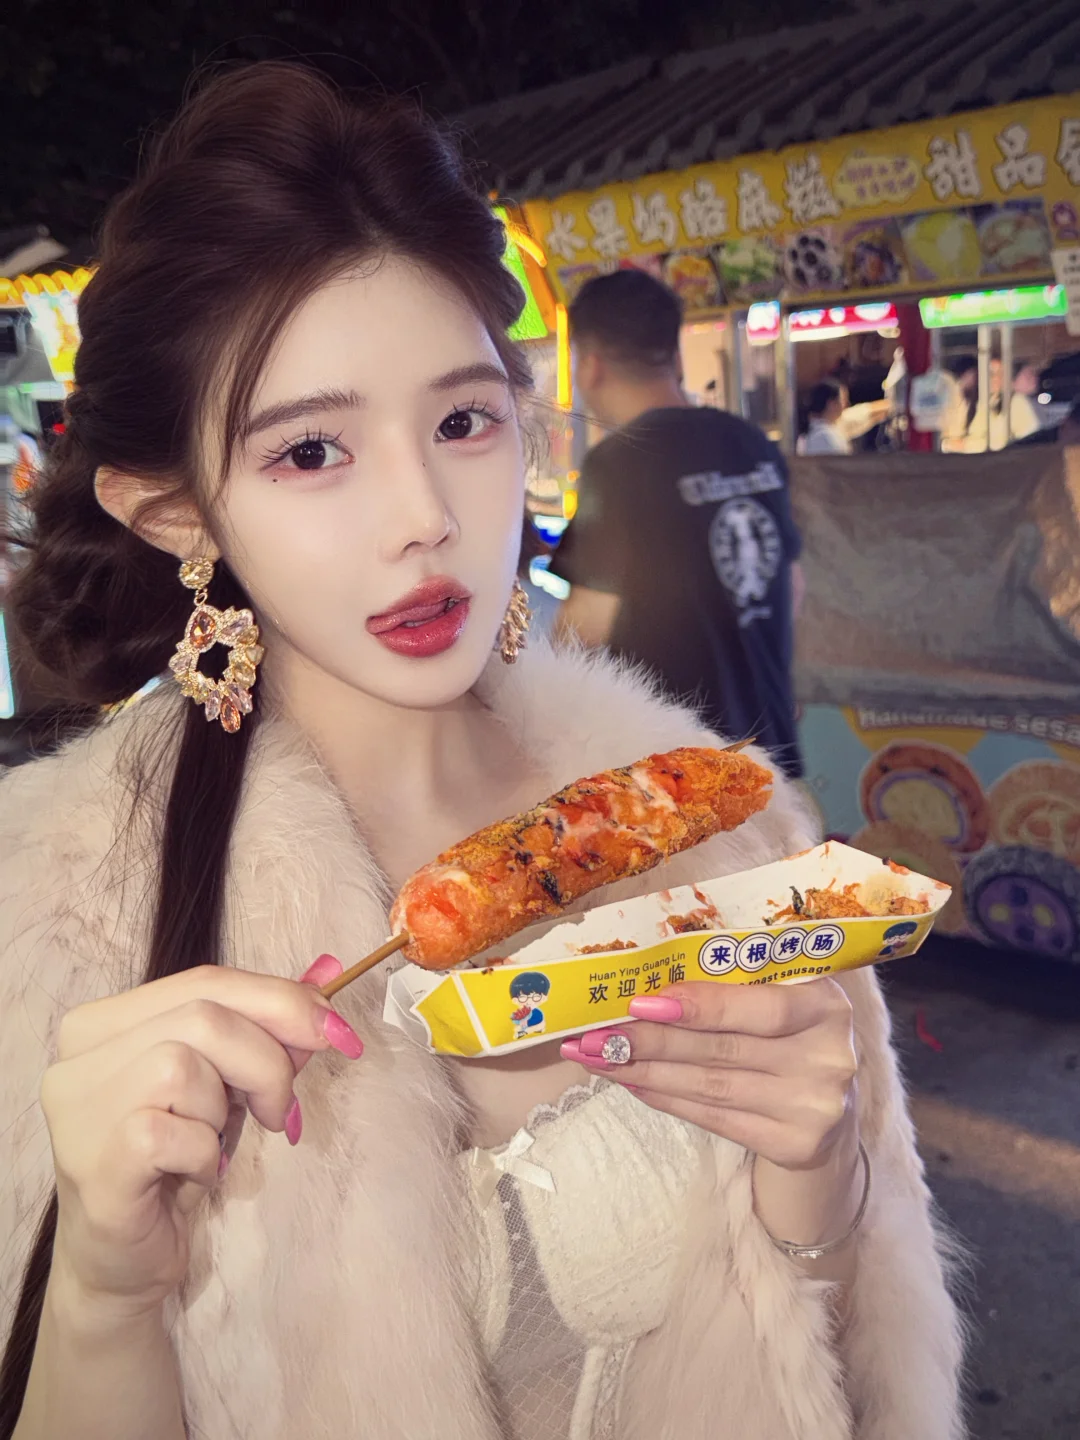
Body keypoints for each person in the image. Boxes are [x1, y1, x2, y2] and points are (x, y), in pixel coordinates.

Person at [0, 64, 963, 1440]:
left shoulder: (730, 835)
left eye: (462, 422)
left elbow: (877, 1383)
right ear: (177, 513)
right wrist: (102, 1288)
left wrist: (820, 1193)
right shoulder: (49, 910)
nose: (425, 518)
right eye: (310, 452)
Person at [550, 270, 806, 780]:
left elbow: (588, 624)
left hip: (681, 775)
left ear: (591, 365)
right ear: (675, 356)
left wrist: (544, 704)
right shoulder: (749, 441)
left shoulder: (618, 463)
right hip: (769, 750)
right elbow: (791, 584)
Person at [797, 378, 889, 456]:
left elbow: (860, 415)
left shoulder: (828, 428)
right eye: (843, 400)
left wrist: (891, 406)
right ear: (831, 404)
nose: (847, 404)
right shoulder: (824, 436)